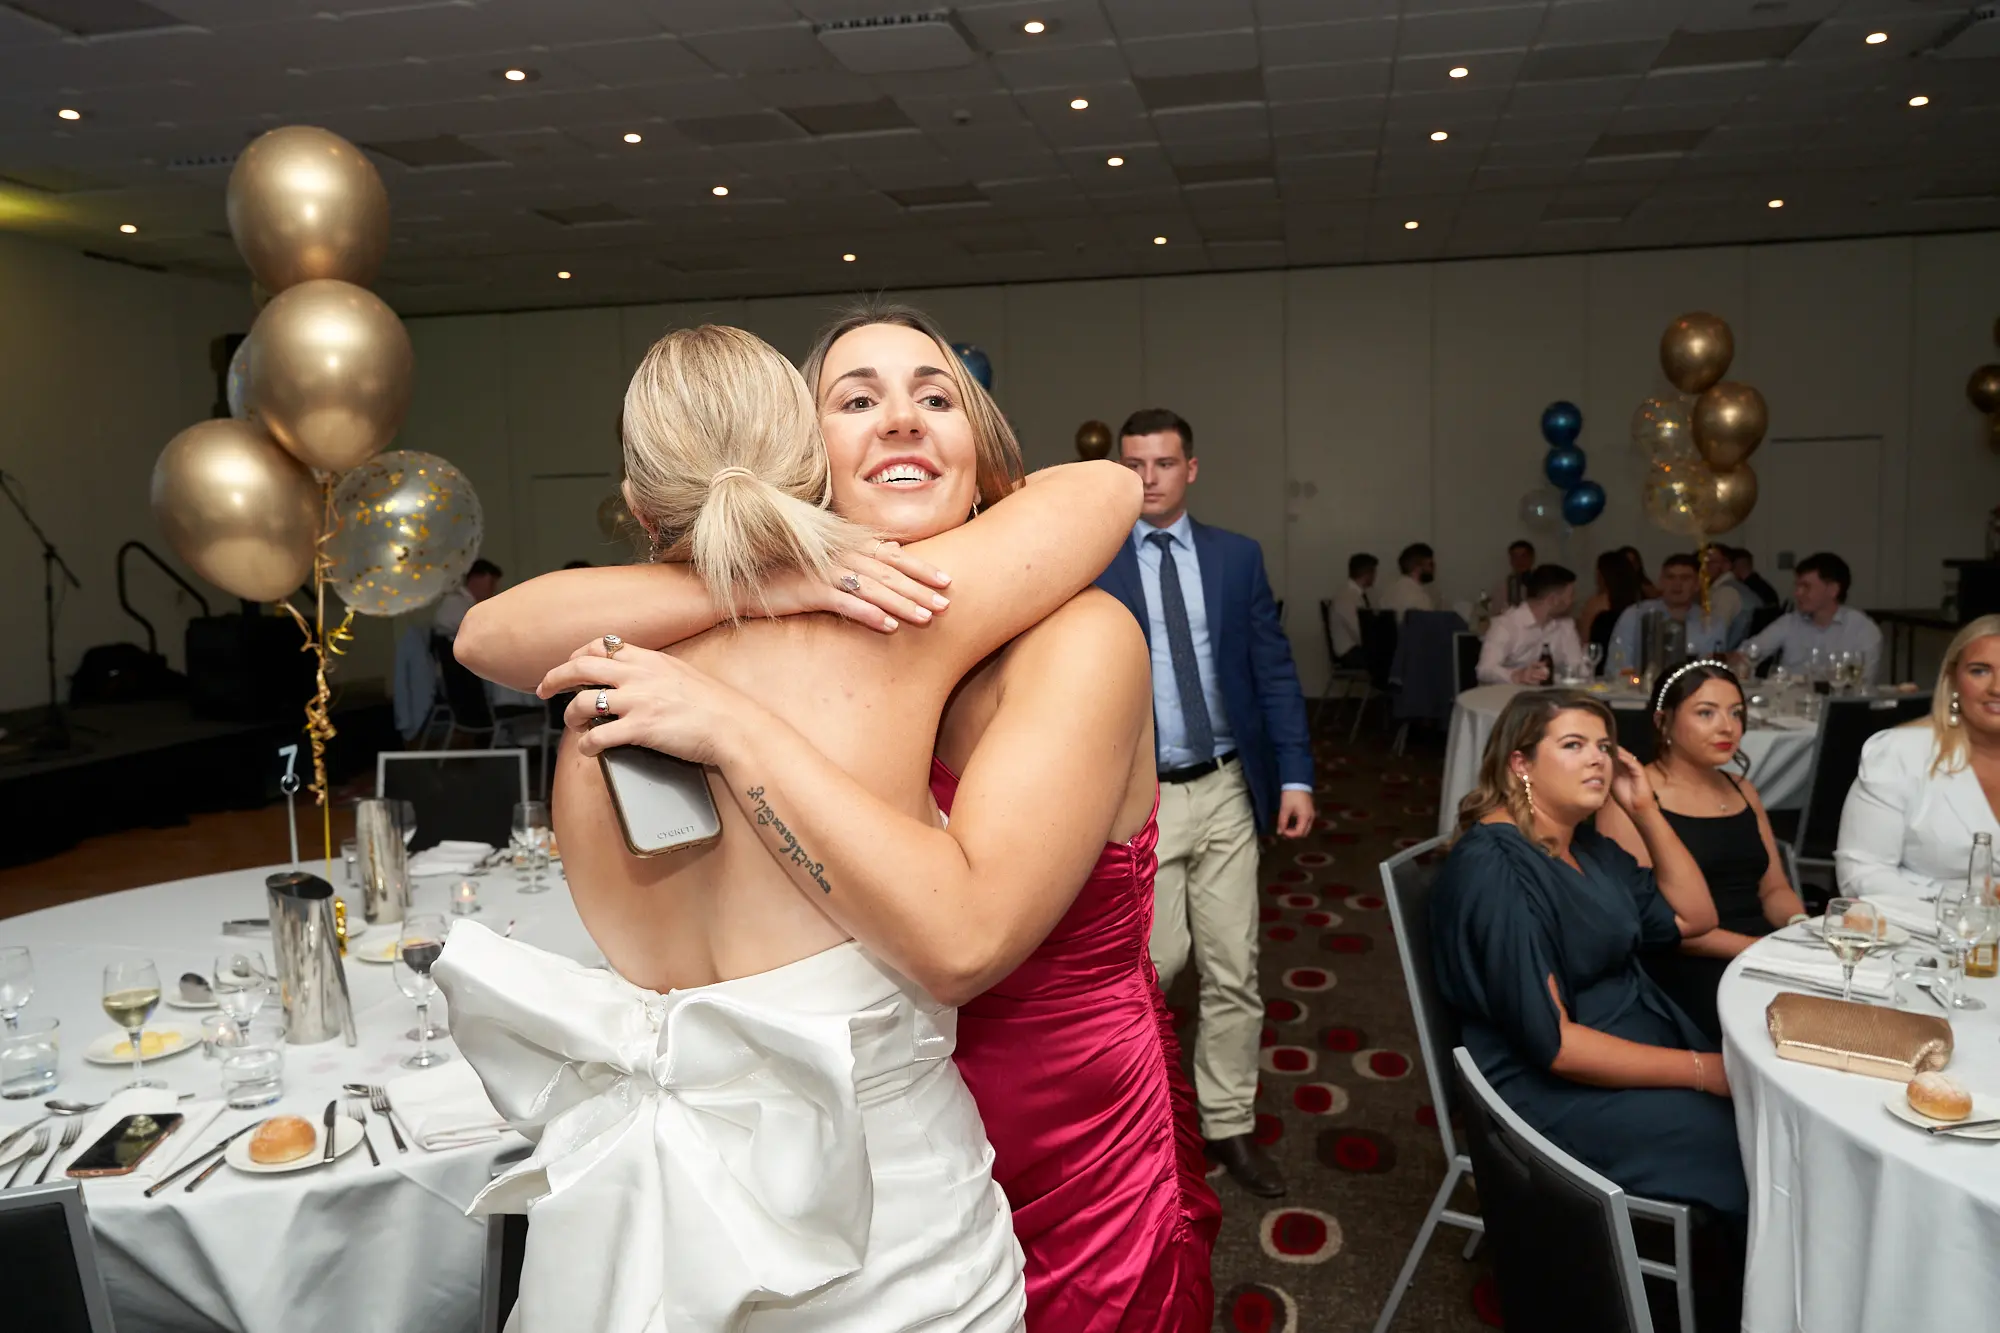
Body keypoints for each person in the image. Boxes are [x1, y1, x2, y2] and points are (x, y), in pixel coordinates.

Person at [455, 304, 1220, 1330]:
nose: (901, 419)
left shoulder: (1059, 634)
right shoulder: (788, 642)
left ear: (985, 454)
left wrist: (734, 712)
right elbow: (494, 630)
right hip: (851, 1139)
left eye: (935, 396)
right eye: (855, 399)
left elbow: (1104, 485)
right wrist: (775, 576)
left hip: (1065, 1124)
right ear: (794, 457)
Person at [1429, 689, 1744, 1330]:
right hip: (1547, 1092)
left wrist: (1646, 808)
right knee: (1750, 1150)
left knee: (1767, 1131)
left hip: (1628, 1045)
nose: (1597, 760)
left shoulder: (1582, 842)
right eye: (1572, 746)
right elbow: (1557, 1046)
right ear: (1521, 762)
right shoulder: (1495, 867)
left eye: (1603, 746)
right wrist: (1703, 1071)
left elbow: (1695, 916)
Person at [1097, 406, 1315, 1199]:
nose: (1146, 479)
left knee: (1234, 965)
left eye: (1161, 463)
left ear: (1191, 468)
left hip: (1226, 785)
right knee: (1156, 963)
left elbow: (1274, 670)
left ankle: (1227, 1122)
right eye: (1133, 465)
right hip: (1139, 796)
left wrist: (1296, 775)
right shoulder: (1092, 560)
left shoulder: (1235, 558)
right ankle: (1145, 1118)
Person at [1596, 661, 1806, 1041]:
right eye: (1706, 713)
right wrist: (1765, 952)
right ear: (1663, 722)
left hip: (1763, 950)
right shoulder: (1632, 800)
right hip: (1684, 963)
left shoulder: (1743, 789)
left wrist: (1800, 929)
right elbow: (1653, 922)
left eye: (1736, 713)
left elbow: (1773, 889)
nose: (1728, 727)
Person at [1837, 615, 2000, 903]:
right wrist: (1965, 901)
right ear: (1953, 682)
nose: (1997, 688)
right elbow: (1861, 874)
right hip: (1926, 934)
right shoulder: (1900, 754)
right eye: (1980, 671)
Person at [1733, 551, 1882, 685]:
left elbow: (1863, 684)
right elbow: (1748, 654)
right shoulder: (1790, 622)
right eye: (1797, 586)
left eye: (1806, 587)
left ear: (1832, 590)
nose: (1797, 593)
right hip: (1789, 707)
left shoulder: (1863, 630)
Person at [1606, 553, 1731, 678]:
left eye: (1685, 578)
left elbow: (1713, 671)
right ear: (1661, 582)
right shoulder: (1635, 615)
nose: (1677, 584)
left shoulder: (1712, 623)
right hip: (1637, 693)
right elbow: (1617, 665)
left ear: (1697, 584)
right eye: (1670, 577)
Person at [1476, 564, 1584, 685]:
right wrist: (1517, 675)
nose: (1573, 601)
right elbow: (1485, 669)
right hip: (1505, 698)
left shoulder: (1566, 624)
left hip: (1551, 697)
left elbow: (1577, 667)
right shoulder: (1507, 624)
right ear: (1553, 600)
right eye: (1571, 595)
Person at [1574, 550, 1644, 675]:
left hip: (1598, 665)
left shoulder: (1595, 604)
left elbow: (1583, 642)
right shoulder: (1637, 603)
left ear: (1600, 575)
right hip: (1629, 666)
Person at [434, 558, 501, 639]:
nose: (494, 589)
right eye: (491, 583)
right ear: (476, 579)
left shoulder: (470, 604)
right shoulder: (454, 602)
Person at [1330, 552, 1377, 666]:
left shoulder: (1354, 595)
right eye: (1374, 572)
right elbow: (1359, 632)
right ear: (1367, 573)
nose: (1375, 576)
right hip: (1350, 653)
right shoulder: (1346, 597)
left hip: (1356, 651)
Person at [1699, 544, 1746, 641]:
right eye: (1701, 562)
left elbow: (1713, 633)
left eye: (1710, 562)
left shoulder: (1726, 593)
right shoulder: (1736, 587)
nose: (1703, 567)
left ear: (1727, 565)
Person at [1385, 542, 1436, 620]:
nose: (1434, 569)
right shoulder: (1419, 597)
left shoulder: (1389, 593)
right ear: (1417, 567)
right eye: (1430, 564)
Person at [1487, 539, 1535, 613]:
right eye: (1515, 557)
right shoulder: (1501, 588)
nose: (1519, 561)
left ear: (1532, 558)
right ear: (1511, 560)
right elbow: (1496, 615)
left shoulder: (1544, 583)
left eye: (1524, 556)